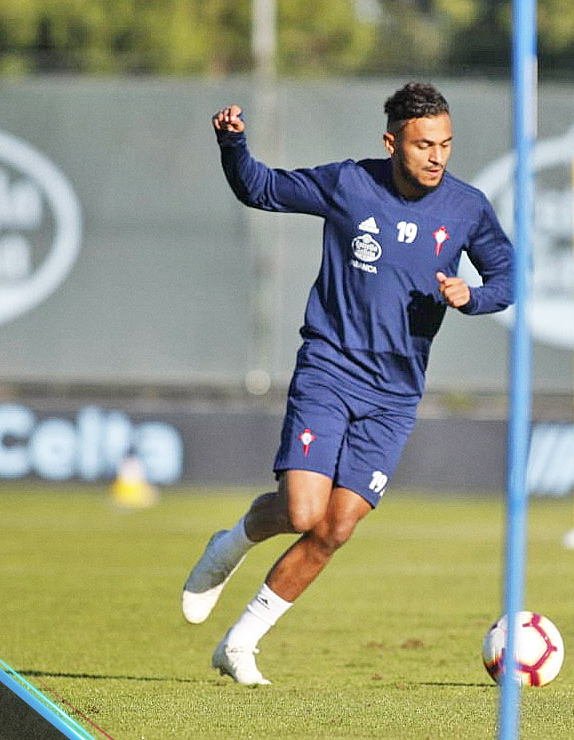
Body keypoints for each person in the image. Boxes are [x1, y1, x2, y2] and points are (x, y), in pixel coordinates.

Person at [182, 82, 514, 685]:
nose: (437, 156)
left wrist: (476, 296)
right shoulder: (348, 184)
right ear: (392, 143)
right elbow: (259, 188)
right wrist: (234, 145)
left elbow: (509, 275)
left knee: (335, 528)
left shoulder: (467, 207)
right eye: (422, 145)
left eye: (445, 144)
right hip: (331, 370)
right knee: (304, 511)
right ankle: (229, 543)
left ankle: (240, 643)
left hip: (395, 395)